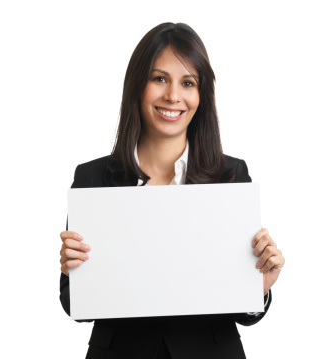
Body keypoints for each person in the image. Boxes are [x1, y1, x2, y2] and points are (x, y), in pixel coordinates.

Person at [59, 22, 285, 359]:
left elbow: (242, 309)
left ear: (201, 95)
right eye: (159, 78)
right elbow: (73, 304)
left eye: (188, 83)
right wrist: (73, 273)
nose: (173, 96)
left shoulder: (231, 174)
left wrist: (259, 289)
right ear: (138, 85)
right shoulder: (93, 176)